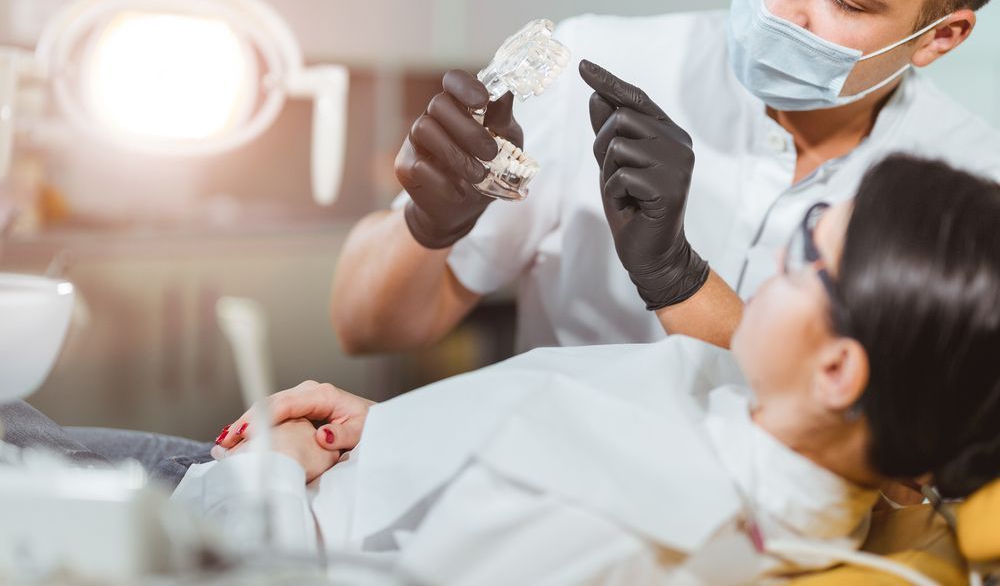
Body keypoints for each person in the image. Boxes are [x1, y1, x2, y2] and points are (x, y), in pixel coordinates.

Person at [190, 155, 1000, 583]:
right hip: (337, 470)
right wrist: (393, 429)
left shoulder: (635, 525)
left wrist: (263, 477)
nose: (777, 258)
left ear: (836, 372)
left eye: (804, 260)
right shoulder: (761, 426)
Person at [331, 0, 1000, 355]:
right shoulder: (595, 66)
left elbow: (877, 448)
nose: (777, 4)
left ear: (941, 35)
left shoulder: (971, 188)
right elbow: (365, 328)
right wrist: (426, 222)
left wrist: (679, 279)